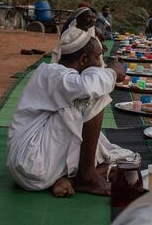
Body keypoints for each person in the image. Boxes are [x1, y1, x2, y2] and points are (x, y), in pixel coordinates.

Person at [7, 33, 132, 197]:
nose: (100, 63)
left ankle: (71, 179)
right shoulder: (52, 72)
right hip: (31, 160)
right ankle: (87, 176)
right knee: (93, 96)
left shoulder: (64, 76)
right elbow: (88, 88)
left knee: (126, 159)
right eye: (98, 57)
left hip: (41, 166)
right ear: (83, 60)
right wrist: (113, 73)